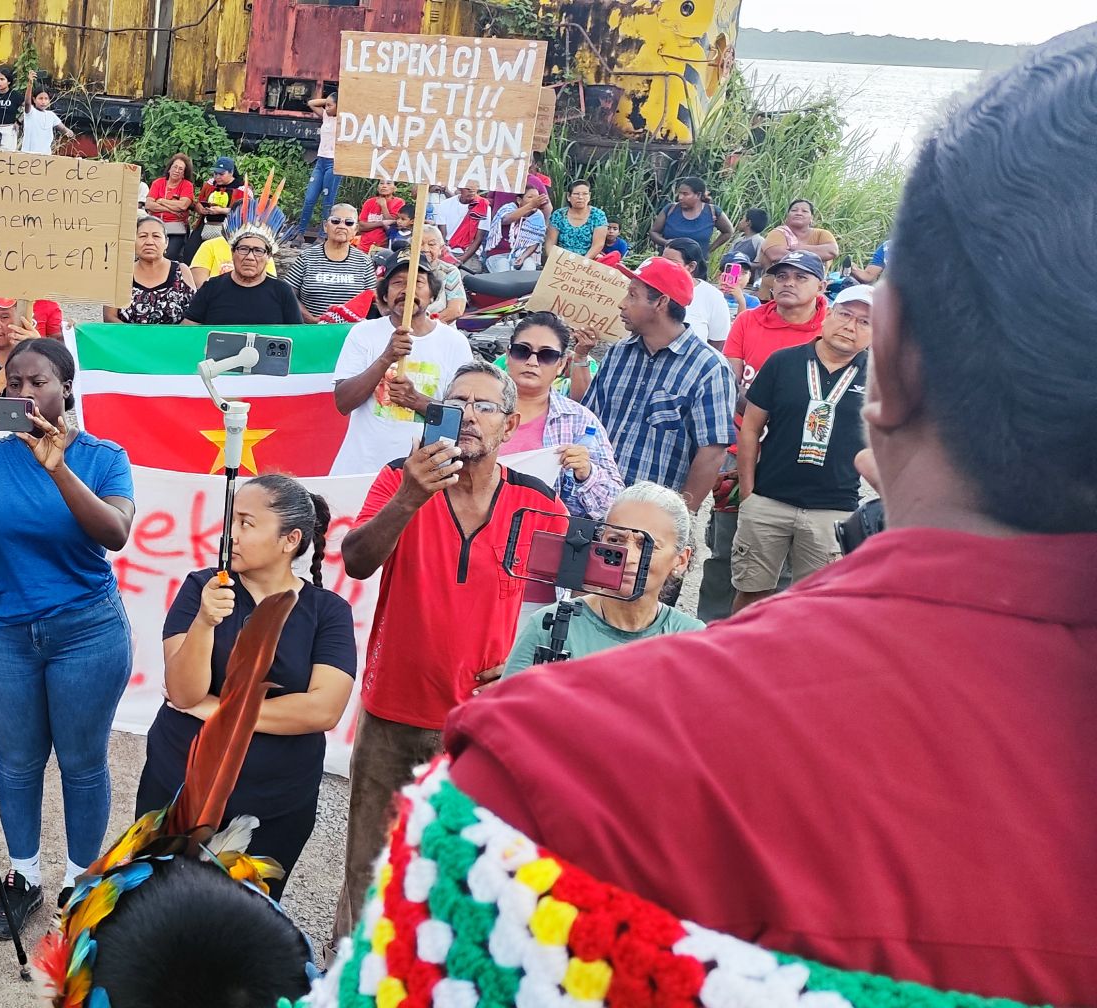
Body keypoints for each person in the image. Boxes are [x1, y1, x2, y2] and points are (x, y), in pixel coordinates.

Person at [365, 30, 1097, 1005]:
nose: (534, 367)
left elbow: (713, 452)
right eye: (523, 358)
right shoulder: (605, 376)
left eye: (541, 357)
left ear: (888, 361)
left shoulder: (556, 791)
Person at [328, 360, 566, 941]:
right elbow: (357, 561)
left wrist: (519, 673)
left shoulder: (538, 503)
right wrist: (409, 497)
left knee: (464, 864)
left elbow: (553, 606)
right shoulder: (398, 478)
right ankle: (356, 970)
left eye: (484, 406)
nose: (468, 416)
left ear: (511, 425)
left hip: (484, 722)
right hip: (395, 707)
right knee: (372, 859)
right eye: (457, 402)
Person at [0, 338, 136, 939]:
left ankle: (77, 883)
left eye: (36, 382)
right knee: (17, 764)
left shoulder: (103, 455)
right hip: (5, 635)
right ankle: (24, 877)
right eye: (12, 383)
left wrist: (58, 466)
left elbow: (115, 532)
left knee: (81, 762)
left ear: (65, 387)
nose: (22, 394)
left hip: (87, 633)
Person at [137, 474, 353, 893]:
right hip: (176, 786)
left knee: (243, 920)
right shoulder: (203, 588)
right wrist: (204, 622)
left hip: (276, 804)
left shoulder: (327, 612)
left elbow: (322, 710)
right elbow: (183, 693)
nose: (229, 534)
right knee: (156, 908)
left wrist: (219, 710)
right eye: (230, 520)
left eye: (246, 523)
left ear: (290, 539)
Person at [732, 284, 873, 611]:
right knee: (750, 593)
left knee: (815, 606)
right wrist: (749, 494)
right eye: (845, 315)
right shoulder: (784, 362)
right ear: (827, 316)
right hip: (768, 500)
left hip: (834, 509)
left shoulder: (883, 379)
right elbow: (751, 427)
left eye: (864, 322)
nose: (850, 327)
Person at [579, 256, 734, 515]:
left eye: (632, 296)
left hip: (651, 517)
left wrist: (679, 520)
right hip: (593, 504)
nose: (622, 304)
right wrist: (580, 359)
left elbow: (712, 454)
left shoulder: (709, 367)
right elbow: (589, 421)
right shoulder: (618, 353)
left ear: (660, 302)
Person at [500, 481, 703, 675]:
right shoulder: (550, 624)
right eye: (615, 540)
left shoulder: (692, 639)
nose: (628, 557)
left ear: (681, 560)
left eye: (646, 545)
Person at [329, 259, 476, 475]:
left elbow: (463, 417)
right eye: (397, 282)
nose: (406, 290)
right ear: (385, 296)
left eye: (417, 283)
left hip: (425, 474)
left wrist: (416, 400)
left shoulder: (454, 343)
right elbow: (343, 403)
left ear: (433, 295)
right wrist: (386, 358)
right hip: (361, 468)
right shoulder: (363, 333)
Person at [500, 312, 622, 518]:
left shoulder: (579, 421)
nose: (532, 361)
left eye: (546, 355)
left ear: (561, 364)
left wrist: (587, 473)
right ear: (508, 355)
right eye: (522, 351)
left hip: (539, 541)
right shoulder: (477, 407)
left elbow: (613, 505)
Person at [724, 248, 830, 387]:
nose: (788, 283)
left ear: (820, 287)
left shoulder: (830, 330)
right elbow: (730, 385)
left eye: (800, 277)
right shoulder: (747, 320)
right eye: (781, 276)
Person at [279, 202, 375, 323]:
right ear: (325, 226)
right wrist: (312, 320)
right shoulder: (307, 257)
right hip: (311, 330)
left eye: (349, 223)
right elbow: (288, 294)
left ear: (355, 229)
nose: (341, 226)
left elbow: (372, 297)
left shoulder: (364, 261)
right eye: (335, 221)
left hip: (350, 333)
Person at [184, 226, 300, 326]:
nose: (250, 257)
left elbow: (297, 335)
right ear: (233, 253)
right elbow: (188, 328)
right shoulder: (211, 287)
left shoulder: (282, 291)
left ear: (268, 256)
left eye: (258, 251)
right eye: (243, 249)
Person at [105, 216, 200, 325]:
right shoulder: (120, 274)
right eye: (142, 236)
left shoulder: (182, 271)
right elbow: (109, 317)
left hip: (174, 340)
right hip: (127, 340)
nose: (149, 242)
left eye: (156, 236)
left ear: (166, 242)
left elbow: (194, 315)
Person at [662, 236, 737, 347]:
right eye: (662, 261)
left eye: (672, 263)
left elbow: (718, 342)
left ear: (691, 266)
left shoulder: (712, 296)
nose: (664, 267)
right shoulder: (653, 288)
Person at [291, 95, 339, 240]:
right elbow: (311, 103)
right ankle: (301, 232)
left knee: (327, 201)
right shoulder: (326, 115)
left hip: (334, 162)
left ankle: (322, 235)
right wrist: (329, 101)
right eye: (327, 105)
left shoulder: (343, 120)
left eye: (331, 105)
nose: (327, 108)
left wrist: (338, 102)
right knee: (309, 198)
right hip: (321, 161)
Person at [650, 175, 732, 257]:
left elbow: (728, 232)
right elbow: (654, 232)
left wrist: (708, 251)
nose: (680, 197)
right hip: (669, 262)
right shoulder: (670, 209)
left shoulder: (712, 212)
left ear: (698, 195)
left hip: (697, 265)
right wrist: (666, 242)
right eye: (680, 194)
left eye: (685, 194)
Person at [147, 153, 200, 264]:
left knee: (169, 255)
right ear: (169, 169)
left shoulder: (187, 185)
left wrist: (161, 201)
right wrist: (171, 209)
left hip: (176, 227)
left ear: (184, 173)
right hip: (156, 223)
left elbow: (183, 206)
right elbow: (149, 205)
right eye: (175, 167)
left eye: (181, 169)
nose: (177, 170)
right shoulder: (158, 183)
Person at [759, 197, 840, 267]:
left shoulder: (822, 234)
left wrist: (797, 248)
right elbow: (775, 255)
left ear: (812, 217)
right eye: (794, 210)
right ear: (787, 216)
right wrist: (816, 255)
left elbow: (832, 251)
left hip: (813, 284)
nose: (798, 213)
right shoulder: (778, 233)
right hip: (775, 283)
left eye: (804, 211)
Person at [488, 181, 550, 271]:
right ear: (519, 200)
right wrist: (530, 205)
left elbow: (535, 241)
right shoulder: (508, 208)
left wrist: (523, 257)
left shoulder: (537, 215)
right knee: (503, 270)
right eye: (530, 197)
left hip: (522, 255)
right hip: (498, 254)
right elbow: (506, 219)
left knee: (528, 269)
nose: (534, 200)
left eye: (536, 197)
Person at [545, 178, 607, 258]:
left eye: (585, 194)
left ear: (589, 196)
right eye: (576, 194)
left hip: (588, 260)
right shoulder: (559, 215)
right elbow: (550, 243)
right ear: (568, 196)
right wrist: (553, 260)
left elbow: (598, 245)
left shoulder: (598, 215)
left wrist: (580, 264)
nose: (580, 197)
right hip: (561, 260)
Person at [195, 157, 246, 243]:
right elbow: (198, 202)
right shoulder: (209, 184)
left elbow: (245, 211)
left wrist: (223, 211)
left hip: (230, 228)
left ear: (231, 172)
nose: (217, 177)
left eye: (221, 174)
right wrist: (199, 208)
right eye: (215, 173)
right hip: (206, 224)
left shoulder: (242, 189)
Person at [356, 178, 406, 251]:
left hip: (384, 250)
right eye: (381, 183)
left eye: (388, 183)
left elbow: (392, 225)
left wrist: (383, 206)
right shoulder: (369, 202)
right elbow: (361, 226)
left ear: (394, 188)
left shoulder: (399, 202)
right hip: (364, 247)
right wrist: (381, 223)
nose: (384, 186)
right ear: (377, 187)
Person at [21, 87, 66, 155]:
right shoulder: (31, 112)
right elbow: (27, 103)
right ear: (34, 99)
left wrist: (68, 132)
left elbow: (63, 128)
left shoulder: (51, 115)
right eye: (40, 98)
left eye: (46, 99)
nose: (43, 102)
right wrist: (30, 84)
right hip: (28, 154)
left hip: (45, 155)